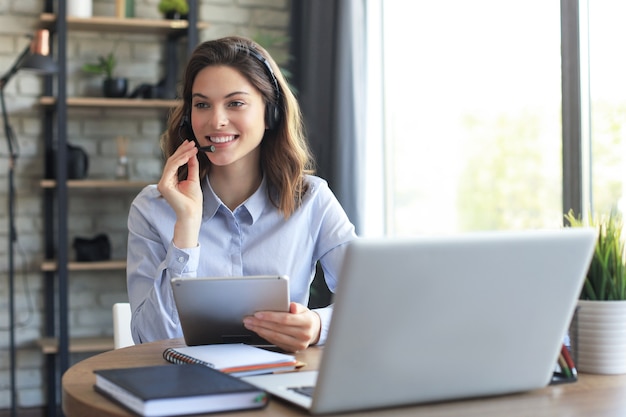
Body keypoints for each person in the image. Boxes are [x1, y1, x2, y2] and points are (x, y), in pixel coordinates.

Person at [126, 36, 356, 352]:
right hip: (186, 387)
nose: (216, 120)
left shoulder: (312, 198)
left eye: (235, 103)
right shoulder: (152, 208)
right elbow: (152, 339)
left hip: (282, 382)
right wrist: (187, 231)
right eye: (202, 104)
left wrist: (318, 326)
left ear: (270, 112)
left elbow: (370, 299)